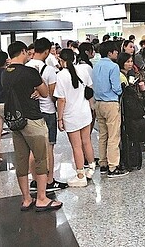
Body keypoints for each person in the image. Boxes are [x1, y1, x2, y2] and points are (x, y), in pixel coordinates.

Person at [3, 41, 62, 212]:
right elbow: (44, 93)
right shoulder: (29, 71)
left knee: (21, 159)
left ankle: (26, 198)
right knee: (41, 157)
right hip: (33, 119)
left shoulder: (4, 74)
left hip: (15, 120)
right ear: (22, 51)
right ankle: (42, 198)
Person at [26, 38, 65, 191]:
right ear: (48, 51)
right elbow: (52, 94)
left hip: (30, 113)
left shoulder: (25, 67)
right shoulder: (49, 70)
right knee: (49, 148)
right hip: (47, 112)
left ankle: (35, 180)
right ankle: (49, 181)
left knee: (32, 150)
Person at [55, 49, 95, 187]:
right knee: (87, 142)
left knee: (76, 147)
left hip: (71, 115)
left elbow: (61, 100)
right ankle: (91, 168)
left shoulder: (61, 75)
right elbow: (89, 87)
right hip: (85, 112)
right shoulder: (83, 70)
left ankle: (80, 175)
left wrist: (59, 119)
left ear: (62, 60)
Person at [92, 41, 128, 177]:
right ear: (109, 53)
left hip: (98, 103)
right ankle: (113, 167)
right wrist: (120, 91)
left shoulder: (95, 66)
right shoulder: (113, 67)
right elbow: (116, 87)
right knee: (114, 136)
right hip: (111, 103)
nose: (117, 53)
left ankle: (103, 163)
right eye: (115, 51)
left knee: (103, 135)